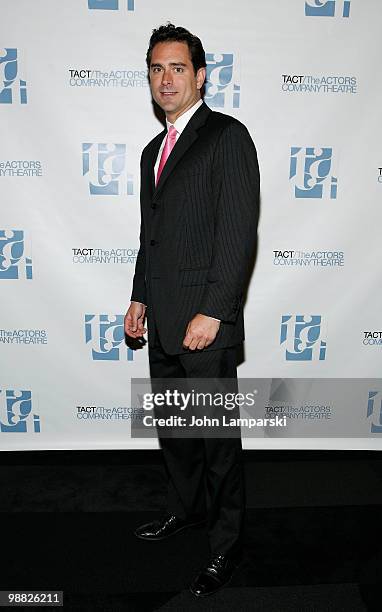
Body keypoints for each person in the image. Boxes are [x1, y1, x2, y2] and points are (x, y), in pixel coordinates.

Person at [124, 23, 259, 597]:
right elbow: (149, 236)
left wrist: (215, 312)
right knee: (178, 433)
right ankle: (184, 509)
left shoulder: (227, 136)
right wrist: (139, 296)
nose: (166, 79)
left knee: (217, 444)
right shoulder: (153, 151)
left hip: (206, 325)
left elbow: (238, 233)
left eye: (177, 68)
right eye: (157, 68)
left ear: (200, 76)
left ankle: (226, 547)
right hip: (164, 322)